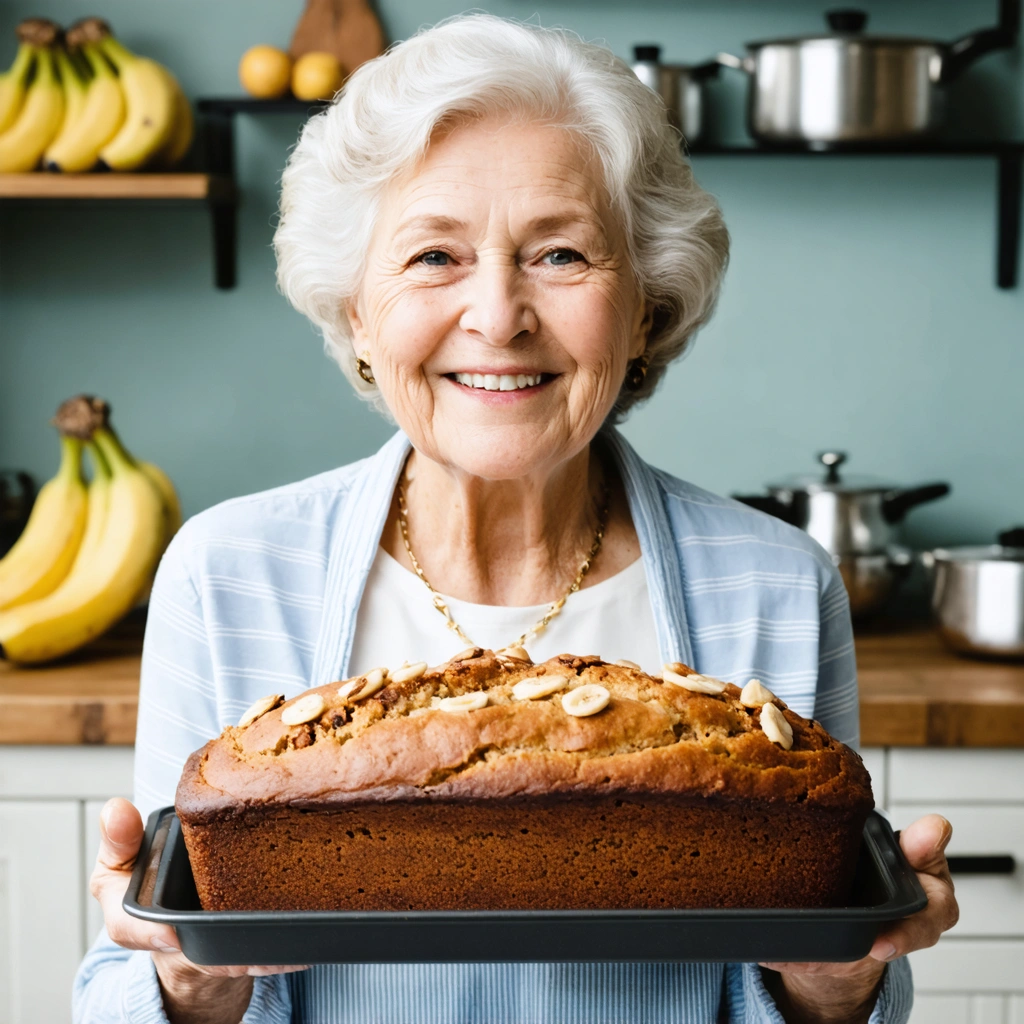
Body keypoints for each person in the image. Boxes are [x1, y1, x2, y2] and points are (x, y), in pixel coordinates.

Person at [73, 14, 958, 1024]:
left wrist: (839, 980)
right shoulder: (228, 574)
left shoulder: (777, 586)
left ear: (646, 307)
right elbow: (123, 989)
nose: (497, 316)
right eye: (434, 256)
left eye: (560, 254)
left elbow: (827, 979)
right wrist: (187, 977)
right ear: (356, 311)